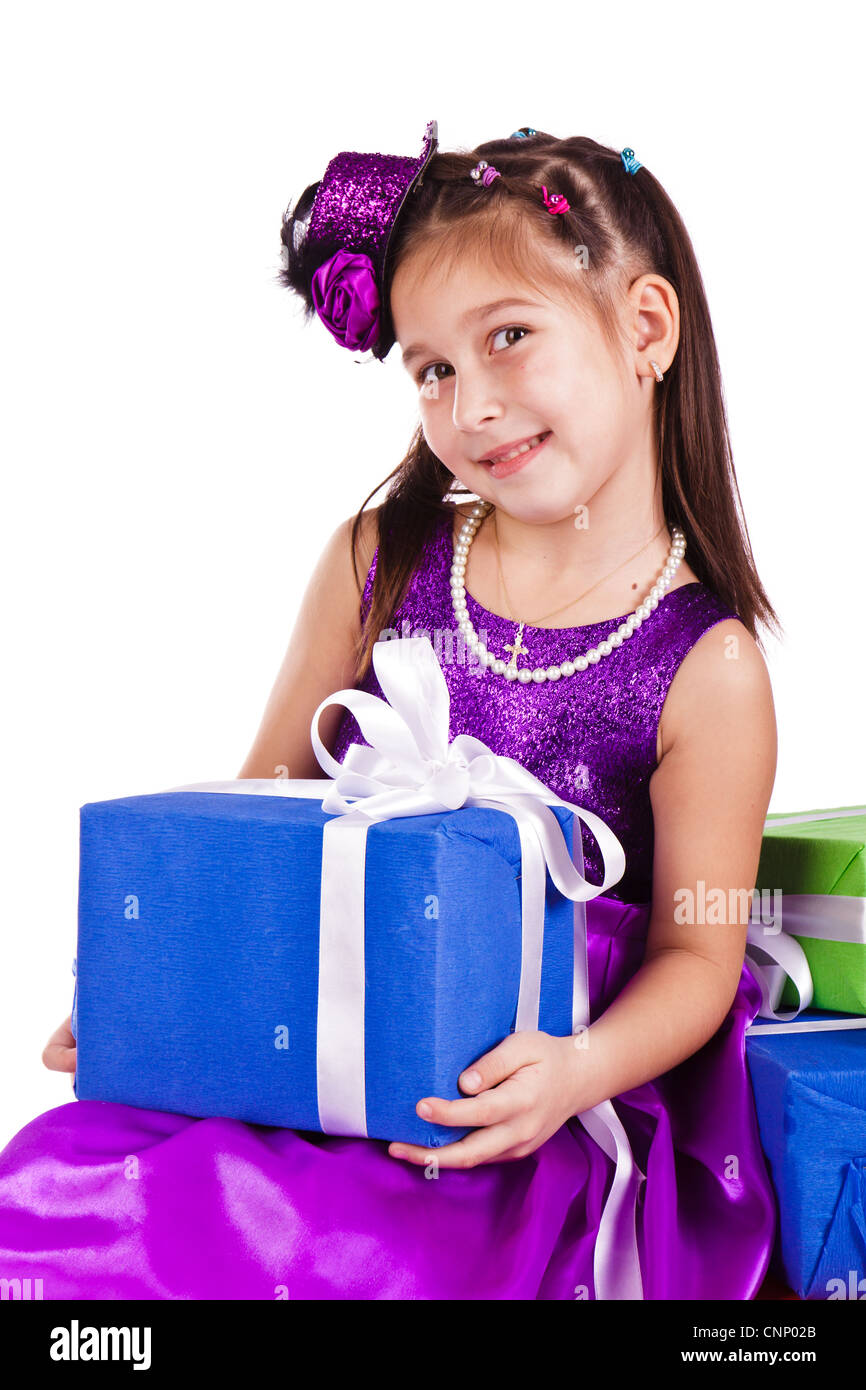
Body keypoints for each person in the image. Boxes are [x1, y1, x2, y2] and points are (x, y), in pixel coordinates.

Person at [4, 123, 781, 1299]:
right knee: (56, 1192)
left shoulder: (704, 668)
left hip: (503, 1114)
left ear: (644, 328)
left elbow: (693, 952)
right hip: (311, 1057)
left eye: (508, 338)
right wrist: (156, 986)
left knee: (348, 1260)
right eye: (431, 368)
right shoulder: (379, 560)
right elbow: (261, 803)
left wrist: (571, 1073)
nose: (471, 405)